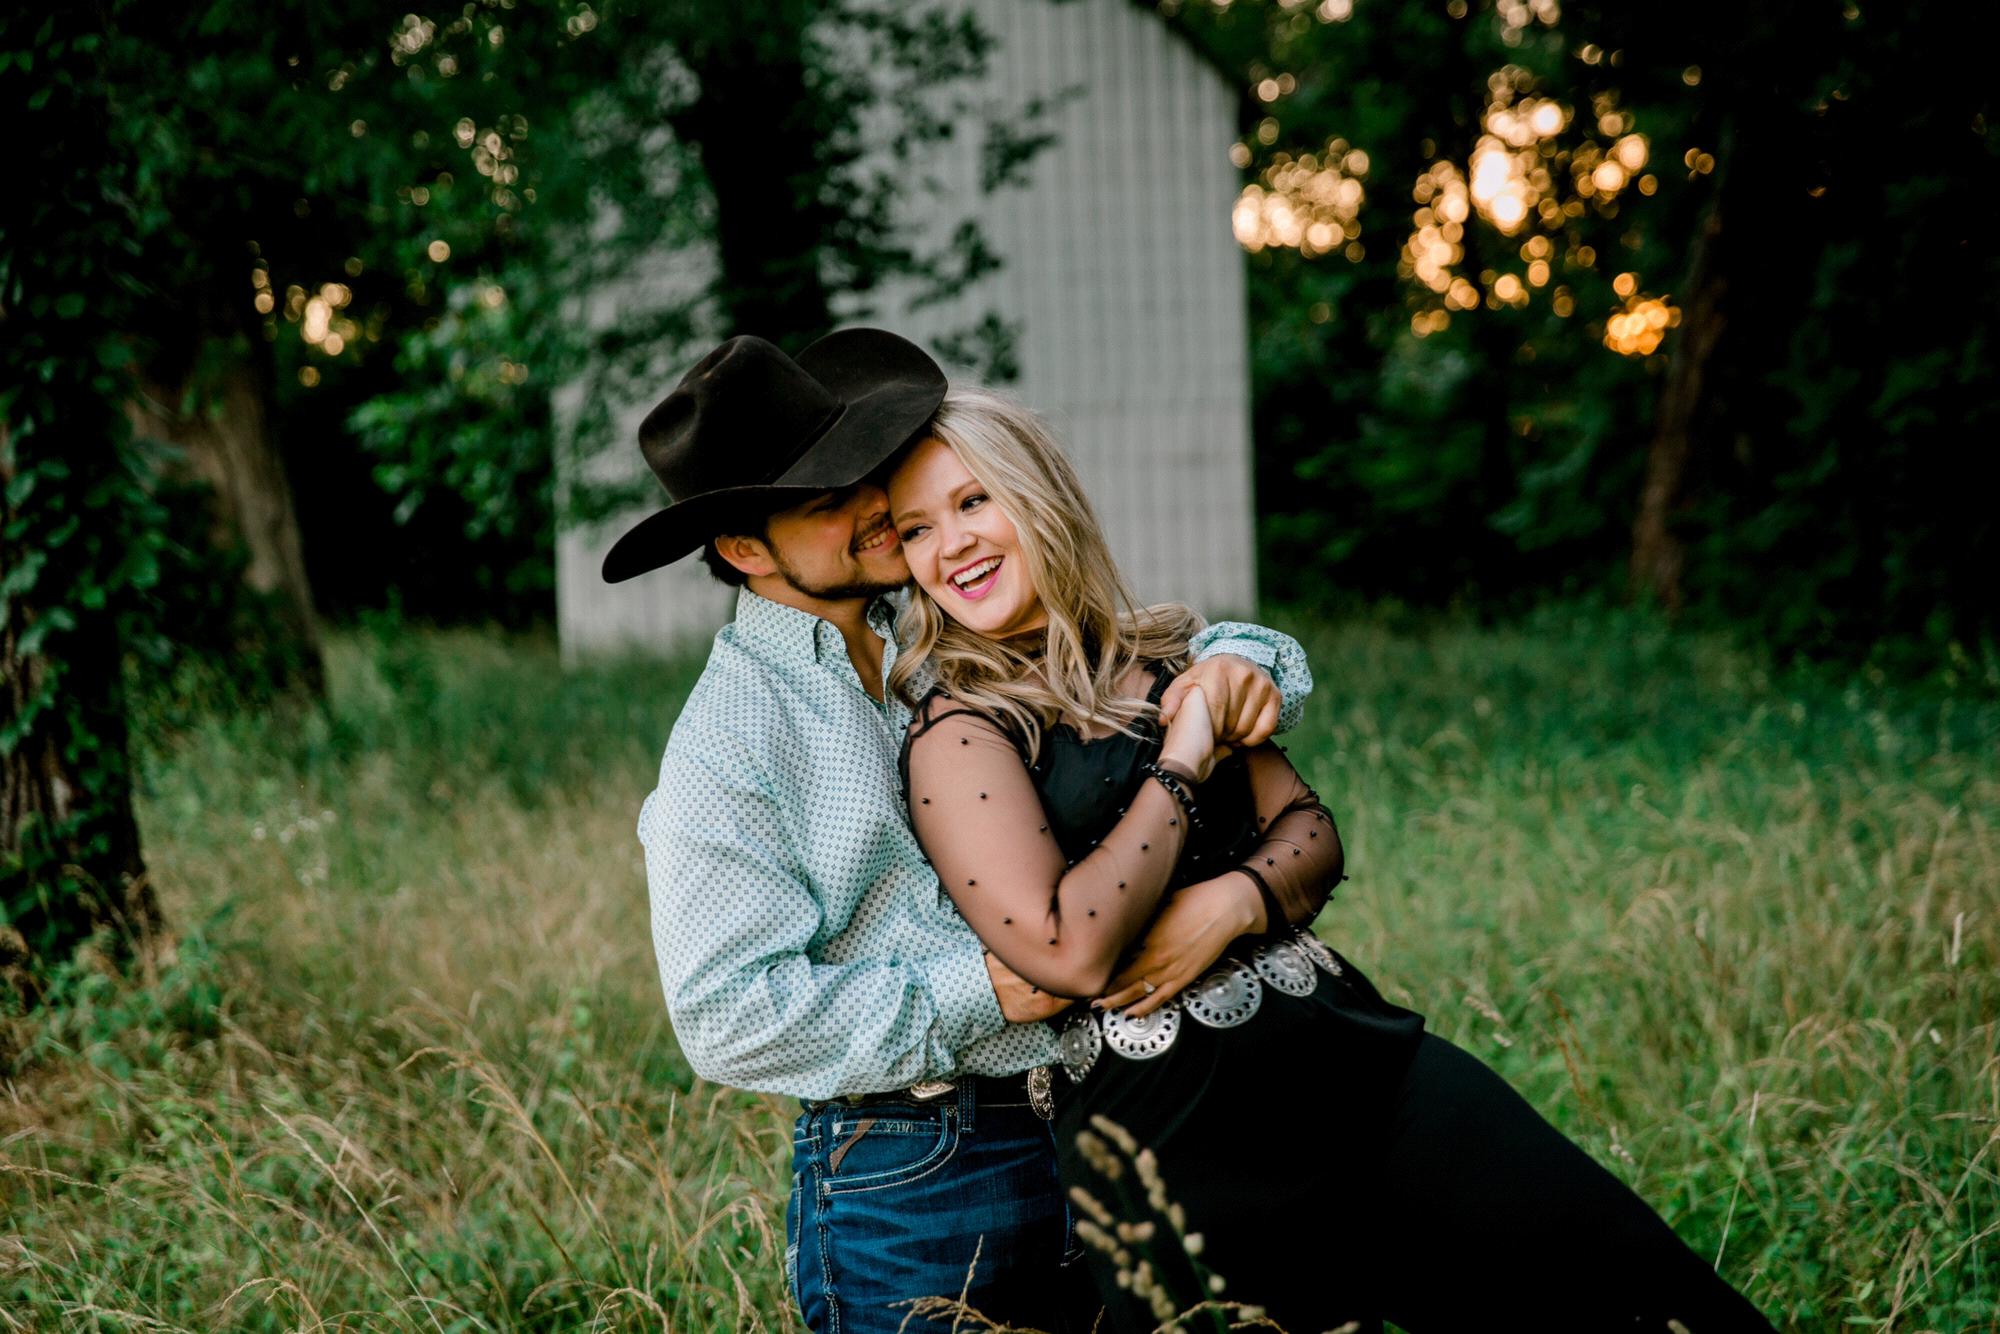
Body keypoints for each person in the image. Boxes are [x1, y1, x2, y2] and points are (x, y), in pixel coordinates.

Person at [886, 385, 1780, 1334]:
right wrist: (1183, 760)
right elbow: (1069, 949)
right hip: (1175, 1146)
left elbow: (1309, 829)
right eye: (915, 530)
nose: (951, 546)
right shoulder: (958, 732)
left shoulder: (1171, 657)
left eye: (974, 501)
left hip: (1357, 1066)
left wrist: (1233, 904)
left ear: (1041, 496)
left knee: (1649, 1297)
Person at [603, 329, 1316, 1334]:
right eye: (825, 498)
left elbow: (1118, 650)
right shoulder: (729, 740)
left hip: (1103, 1115)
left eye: (863, 471)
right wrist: (988, 988)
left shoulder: (939, 636)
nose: (873, 503)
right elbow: (725, 1015)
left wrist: (1246, 659)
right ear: (743, 549)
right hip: (915, 1177)